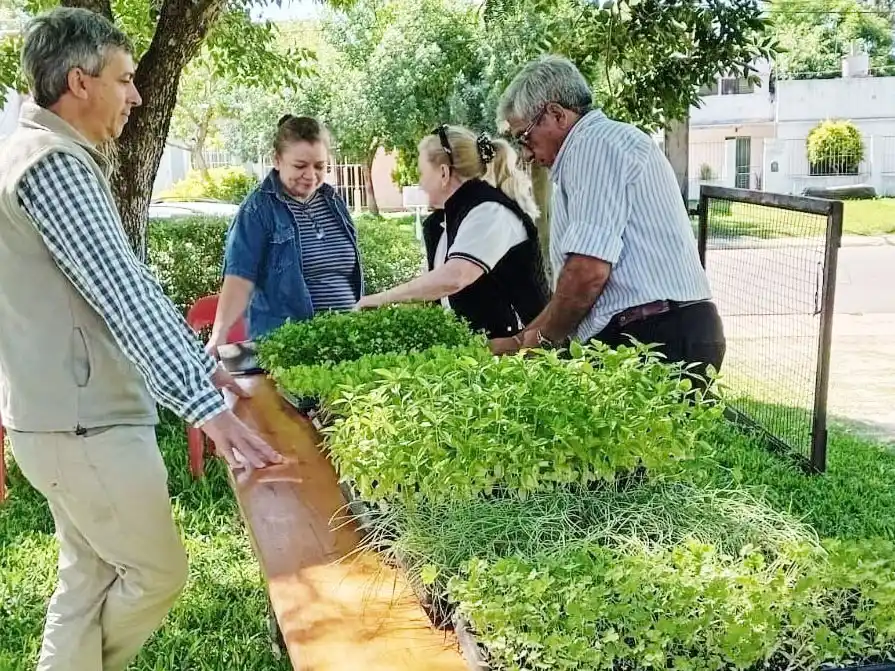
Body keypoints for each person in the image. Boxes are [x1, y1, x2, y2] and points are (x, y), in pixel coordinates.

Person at [0, 8, 282, 671]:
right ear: (79, 81)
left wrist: (196, 367)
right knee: (158, 573)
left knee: (87, 580)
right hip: (86, 424)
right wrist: (205, 405)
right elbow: (119, 288)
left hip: (60, 422)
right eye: (125, 79)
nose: (137, 94)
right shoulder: (53, 162)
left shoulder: (26, 152)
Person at [490, 55, 726, 385]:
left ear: (557, 114)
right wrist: (527, 339)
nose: (526, 153)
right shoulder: (596, 147)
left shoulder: (592, 145)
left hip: (655, 336)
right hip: (657, 332)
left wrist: (529, 345)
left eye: (525, 136)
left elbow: (587, 273)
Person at [356, 125, 549, 339]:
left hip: (523, 356)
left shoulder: (490, 212)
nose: (420, 184)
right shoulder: (443, 222)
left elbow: (455, 277)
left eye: (421, 173)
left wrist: (382, 299)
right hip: (481, 357)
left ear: (444, 173)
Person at [207, 115, 364, 349]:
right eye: (300, 166)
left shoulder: (333, 201)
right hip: (289, 347)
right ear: (277, 160)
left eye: (320, 166)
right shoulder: (257, 209)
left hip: (347, 341)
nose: (311, 175)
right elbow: (239, 278)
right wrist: (218, 338)